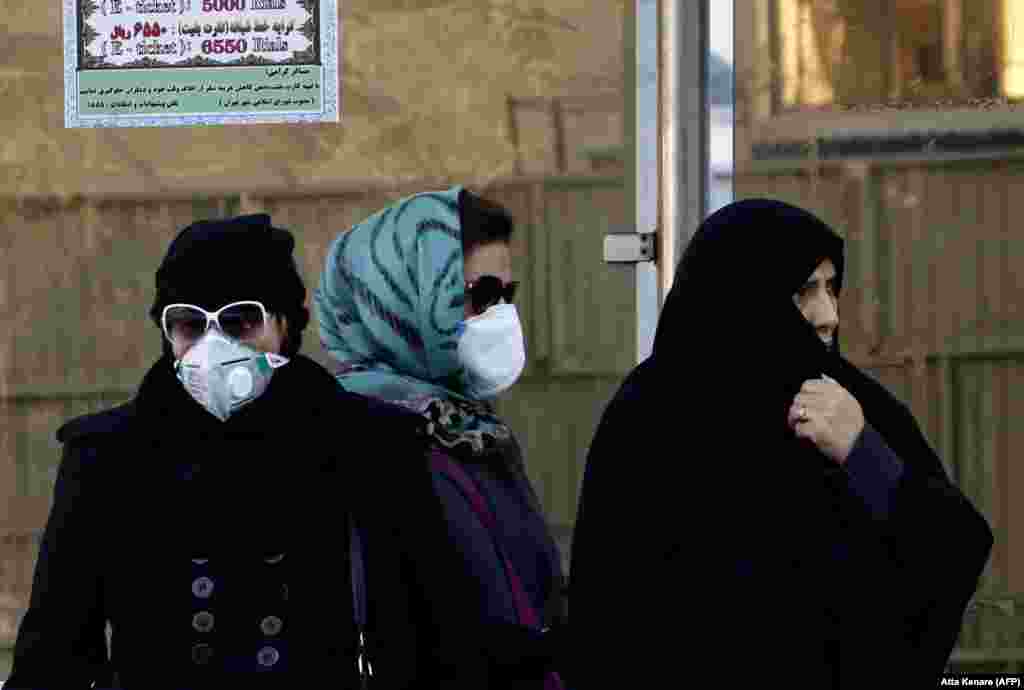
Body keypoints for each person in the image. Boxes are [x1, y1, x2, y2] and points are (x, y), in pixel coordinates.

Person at [569, 199, 993, 688]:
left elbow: (955, 546)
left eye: (832, 288)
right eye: (804, 291)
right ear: (742, 295)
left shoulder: (848, 403)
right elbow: (608, 620)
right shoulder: (651, 419)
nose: (828, 315)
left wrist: (865, 455)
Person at [5, 214, 429, 689]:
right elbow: (53, 653)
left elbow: (426, 642)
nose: (215, 344)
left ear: (285, 326)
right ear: (168, 335)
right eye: (189, 324)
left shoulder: (370, 444)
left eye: (241, 320)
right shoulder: (108, 456)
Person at [315, 186, 568, 689]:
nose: (500, 316)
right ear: (407, 298)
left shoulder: (470, 431)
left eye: (506, 295)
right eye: (480, 295)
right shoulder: (359, 444)